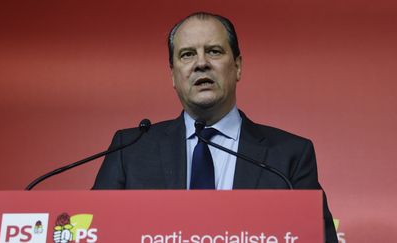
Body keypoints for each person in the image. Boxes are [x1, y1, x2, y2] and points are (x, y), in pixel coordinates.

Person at [93, 12, 338, 242]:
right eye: (187, 54)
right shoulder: (130, 150)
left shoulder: (288, 156)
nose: (201, 63)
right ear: (172, 75)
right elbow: (94, 230)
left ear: (238, 66)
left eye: (214, 51)